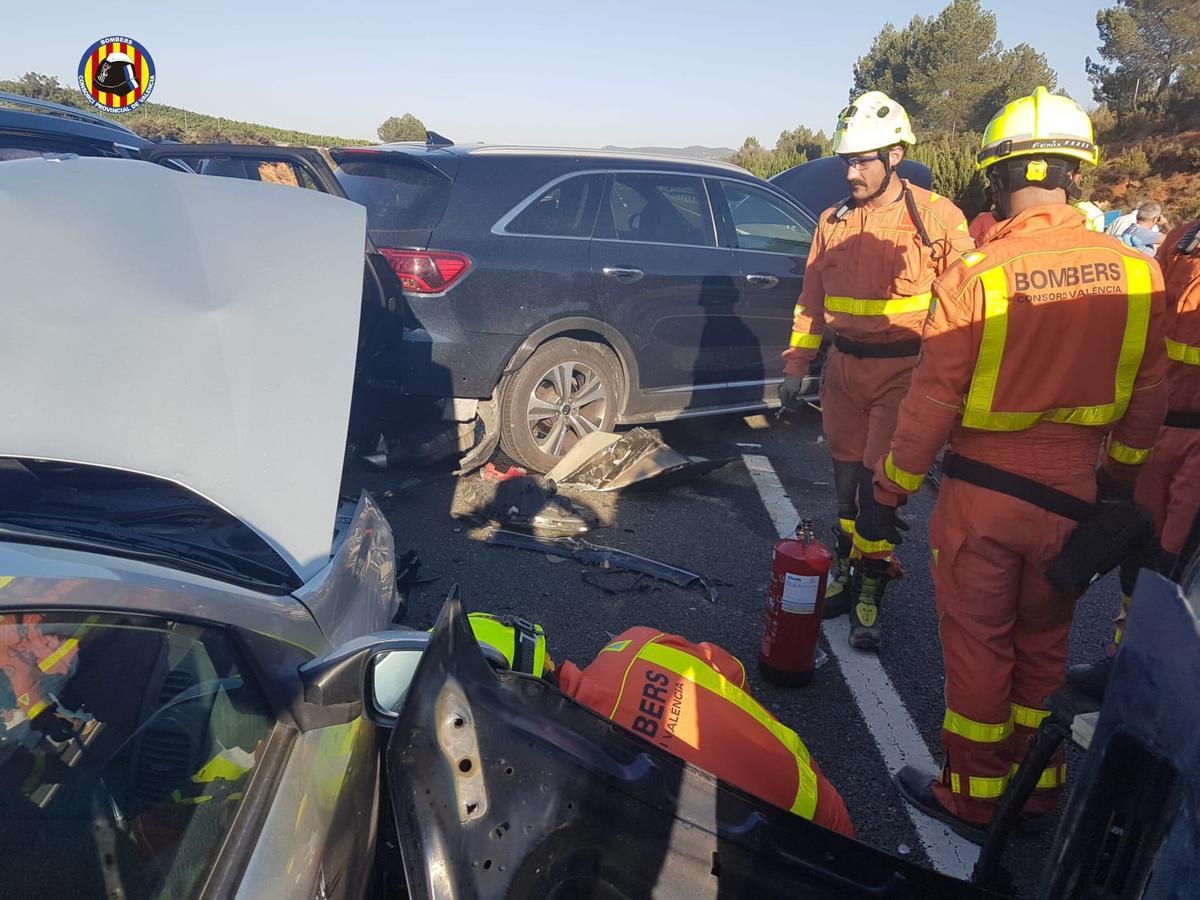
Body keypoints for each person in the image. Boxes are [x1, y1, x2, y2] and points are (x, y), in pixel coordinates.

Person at [867, 86, 1167, 839]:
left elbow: (931, 402)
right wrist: (1113, 485)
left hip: (984, 498)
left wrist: (889, 491)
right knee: (1043, 647)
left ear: (1000, 179)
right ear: (1077, 175)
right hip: (1074, 496)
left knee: (979, 646)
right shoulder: (1138, 273)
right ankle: (1037, 790)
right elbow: (1148, 400)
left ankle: (969, 796)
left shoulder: (979, 275)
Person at [778, 90, 974, 650]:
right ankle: (847, 567)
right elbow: (810, 303)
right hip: (843, 373)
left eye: (862, 160)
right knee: (843, 492)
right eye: (847, 161)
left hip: (903, 374)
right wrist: (797, 364)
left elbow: (966, 303)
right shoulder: (832, 222)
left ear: (894, 157)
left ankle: (869, 589)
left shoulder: (938, 217)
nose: (851, 172)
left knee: (876, 488)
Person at [465, 612, 855, 837]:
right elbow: (732, 672)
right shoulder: (638, 645)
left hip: (787, 861)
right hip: (819, 797)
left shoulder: (576, 781)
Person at [1069, 217, 1200, 698]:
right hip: (1164, 429)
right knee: (1139, 553)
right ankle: (1123, 661)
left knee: (1180, 564)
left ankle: (1167, 680)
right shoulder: (1187, 235)